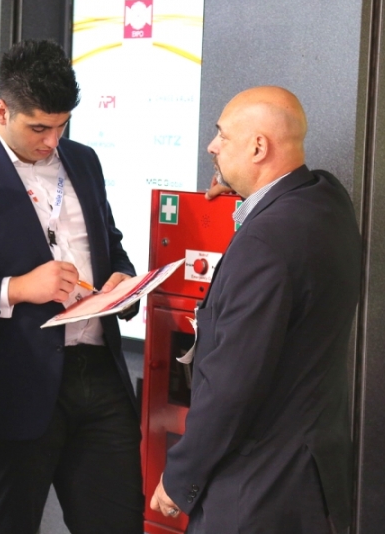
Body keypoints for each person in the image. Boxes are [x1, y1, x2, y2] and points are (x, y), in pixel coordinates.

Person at [0, 39, 144, 534]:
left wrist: (121, 280)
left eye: (62, 126)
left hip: (100, 377)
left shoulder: (84, 161)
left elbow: (112, 244)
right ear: (2, 110)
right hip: (11, 386)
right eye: (39, 128)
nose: (52, 141)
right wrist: (15, 288)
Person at [150, 86, 362, 534]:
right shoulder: (329, 202)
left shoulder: (264, 243)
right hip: (312, 481)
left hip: (256, 494)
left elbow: (232, 384)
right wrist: (246, 194)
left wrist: (179, 477)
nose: (212, 146)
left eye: (223, 136)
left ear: (258, 147)